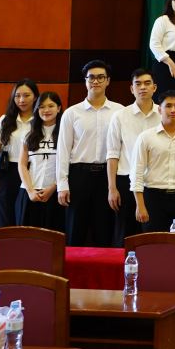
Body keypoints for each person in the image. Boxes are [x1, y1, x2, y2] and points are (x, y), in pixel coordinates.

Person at [57, 59, 123, 247]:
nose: (96, 81)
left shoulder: (119, 111)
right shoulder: (72, 113)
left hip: (108, 176)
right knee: (75, 230)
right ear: (85, 81)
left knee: (105, 230)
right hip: (79, 176)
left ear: (108, 81)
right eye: (91, 77)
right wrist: (62, 184)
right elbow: (63, 150)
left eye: (101, 77)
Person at [132, 90, 175, 234]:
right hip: (153, 197)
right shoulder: (146, 137)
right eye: (168, 106)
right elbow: (136, 173)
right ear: (160, 109)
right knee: (154, 242)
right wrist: (140, 205)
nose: (173, 110)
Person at [0, 81, 37, 229]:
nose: (21, 100)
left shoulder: (41, 120)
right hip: (9, 172)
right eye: (17, 96)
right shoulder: (6, 120)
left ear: (35, 97)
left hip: (33, 171)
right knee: (5, 216)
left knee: (26, 215)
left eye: (26, 95)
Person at [17, 91, 66, 234]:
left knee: (52, 238)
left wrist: (53, 187)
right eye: (42, 107)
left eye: (51, 106)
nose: (46, 110)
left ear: (58, 108)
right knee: (27, 238)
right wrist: (30, 191)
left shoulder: (66, 134)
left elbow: (68, 166)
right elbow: (22, 165)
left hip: (56, 194)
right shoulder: (29, 134)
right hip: (29, 193)